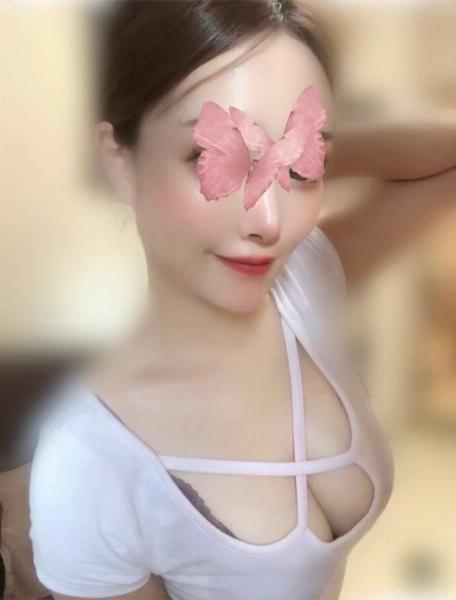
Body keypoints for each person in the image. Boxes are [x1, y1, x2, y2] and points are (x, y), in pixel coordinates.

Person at [27, 1, 456, 600]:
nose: (270, 221)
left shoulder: (302, 284)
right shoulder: (88, 461)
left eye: (303, 167)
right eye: (209, 155)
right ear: (120, 162)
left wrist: (293, 142)